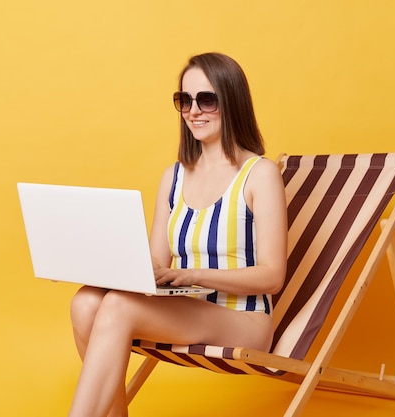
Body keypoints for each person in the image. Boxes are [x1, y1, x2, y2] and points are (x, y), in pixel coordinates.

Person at [68, 52, 288, 417]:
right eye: (184, 100)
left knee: (119, 308)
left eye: (207, 99)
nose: (193, 111)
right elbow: (157, 261)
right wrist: (113, 268)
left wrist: (191, 275)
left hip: (243, 319)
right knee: (86, 302)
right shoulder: (174, 176)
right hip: (186, 308)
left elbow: (272, 275)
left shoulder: (259, 174)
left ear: (231, 102)